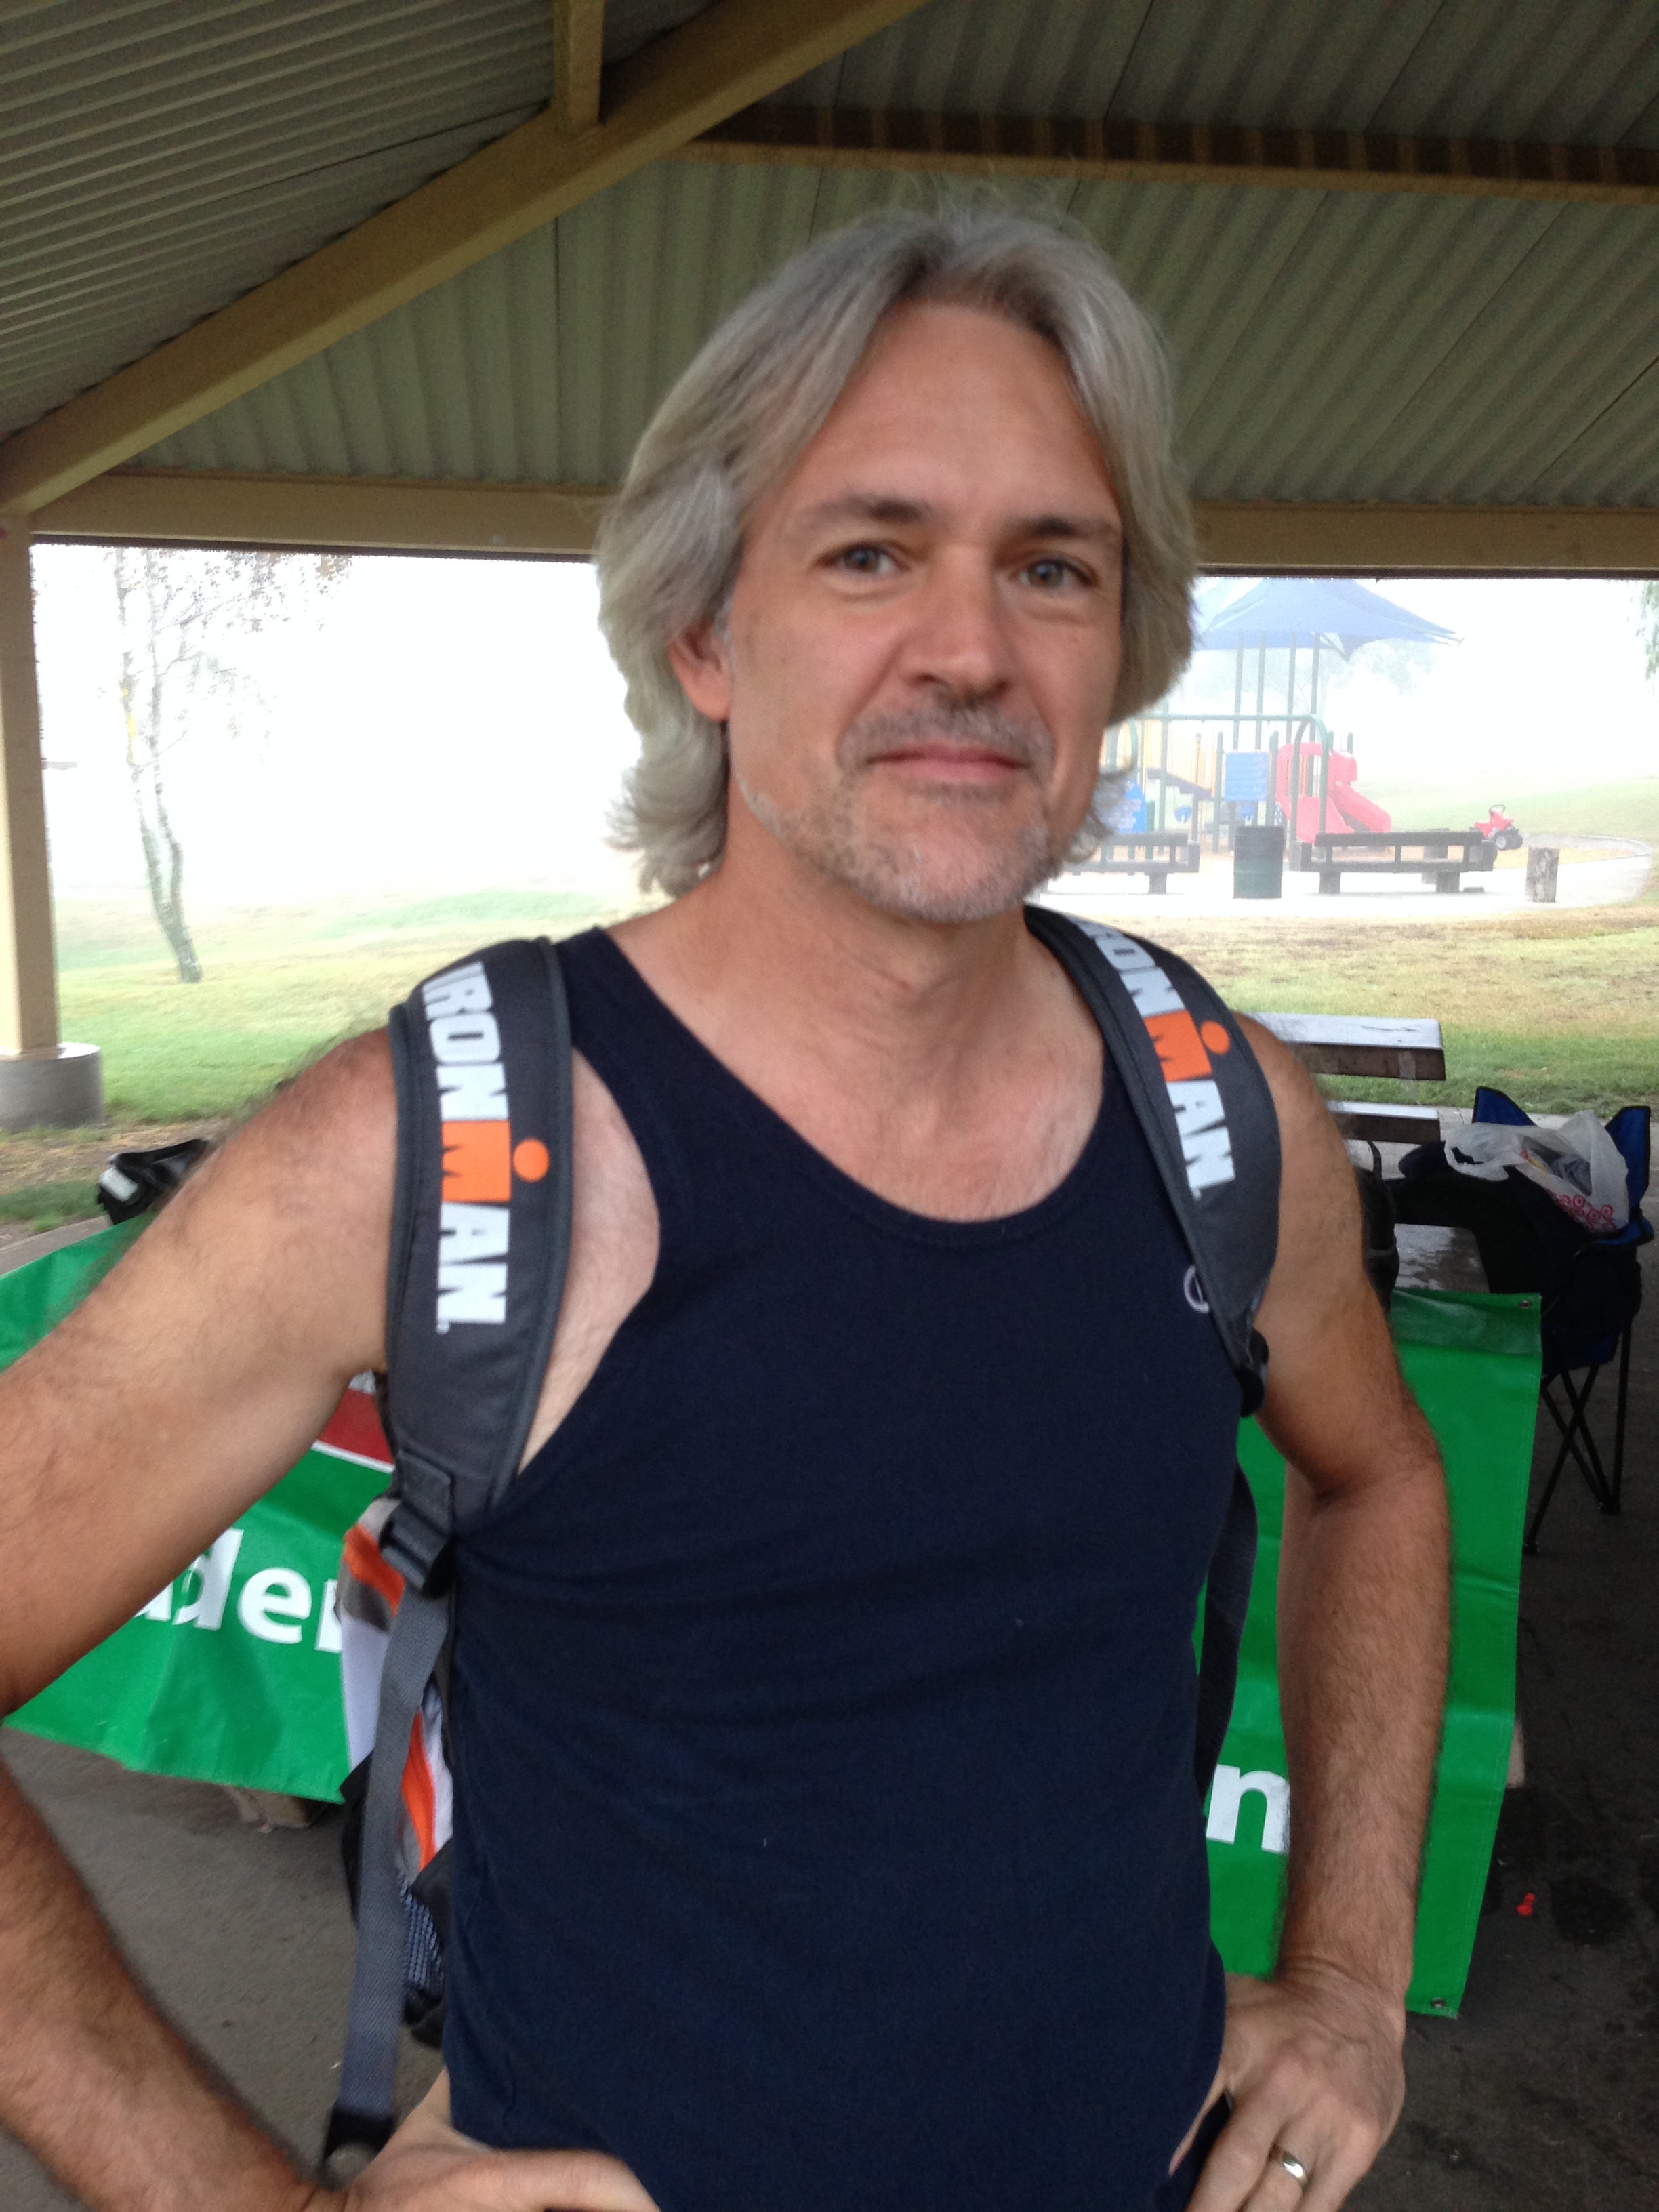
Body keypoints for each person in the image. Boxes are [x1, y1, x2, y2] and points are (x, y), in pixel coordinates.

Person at [0, 210, 1448, 2212]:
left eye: (1052, 566)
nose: (971, 650)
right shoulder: (440, 1152)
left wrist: (1352, 1983)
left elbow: (1381, 1481)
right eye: (870, 553)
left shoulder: (1216, 1115)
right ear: (703, 635)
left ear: (1120, 648)